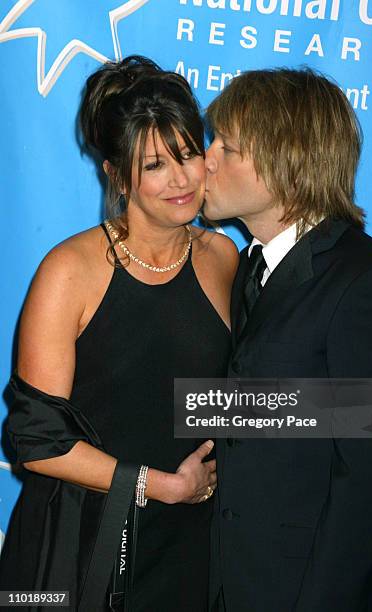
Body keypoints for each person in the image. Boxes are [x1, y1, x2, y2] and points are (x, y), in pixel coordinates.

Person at [0, 55, 238, 611]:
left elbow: (224, 396)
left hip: (190, 549)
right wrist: (161, 485)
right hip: (78, 547)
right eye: (155, 164)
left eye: (188, 155)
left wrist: (366, 410)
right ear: (115, 173)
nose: (180, 180)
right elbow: (37, 444)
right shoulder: (70, 271)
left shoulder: (223, 256)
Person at [203, 68, 372, 612]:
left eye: (227, 147)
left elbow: (368, 489)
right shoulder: (249, 267)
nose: (205, 159)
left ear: (287, 166)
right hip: (228, 582)